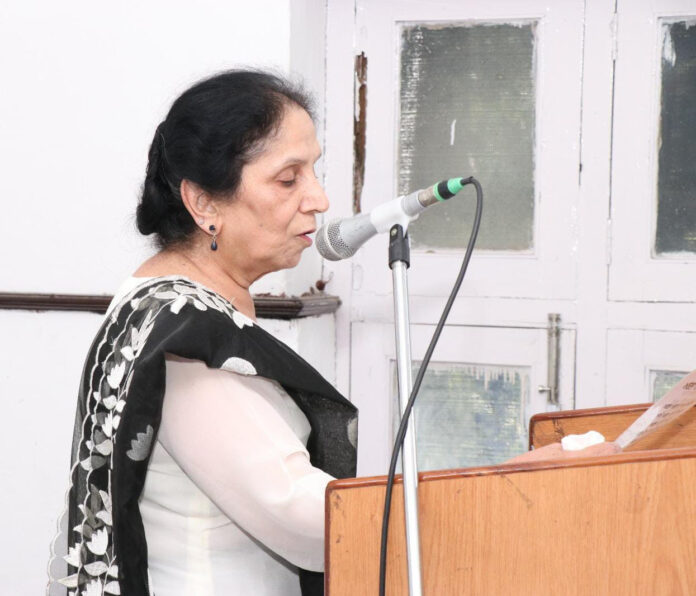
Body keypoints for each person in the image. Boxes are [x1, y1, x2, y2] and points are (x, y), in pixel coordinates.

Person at [47, 69, 618, 596]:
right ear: (202, 201)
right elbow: (306, 517)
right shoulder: (185, 340)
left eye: (314, 172)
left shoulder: (172, 302)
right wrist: (507, 484)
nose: (319, 200)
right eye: (288, 179)